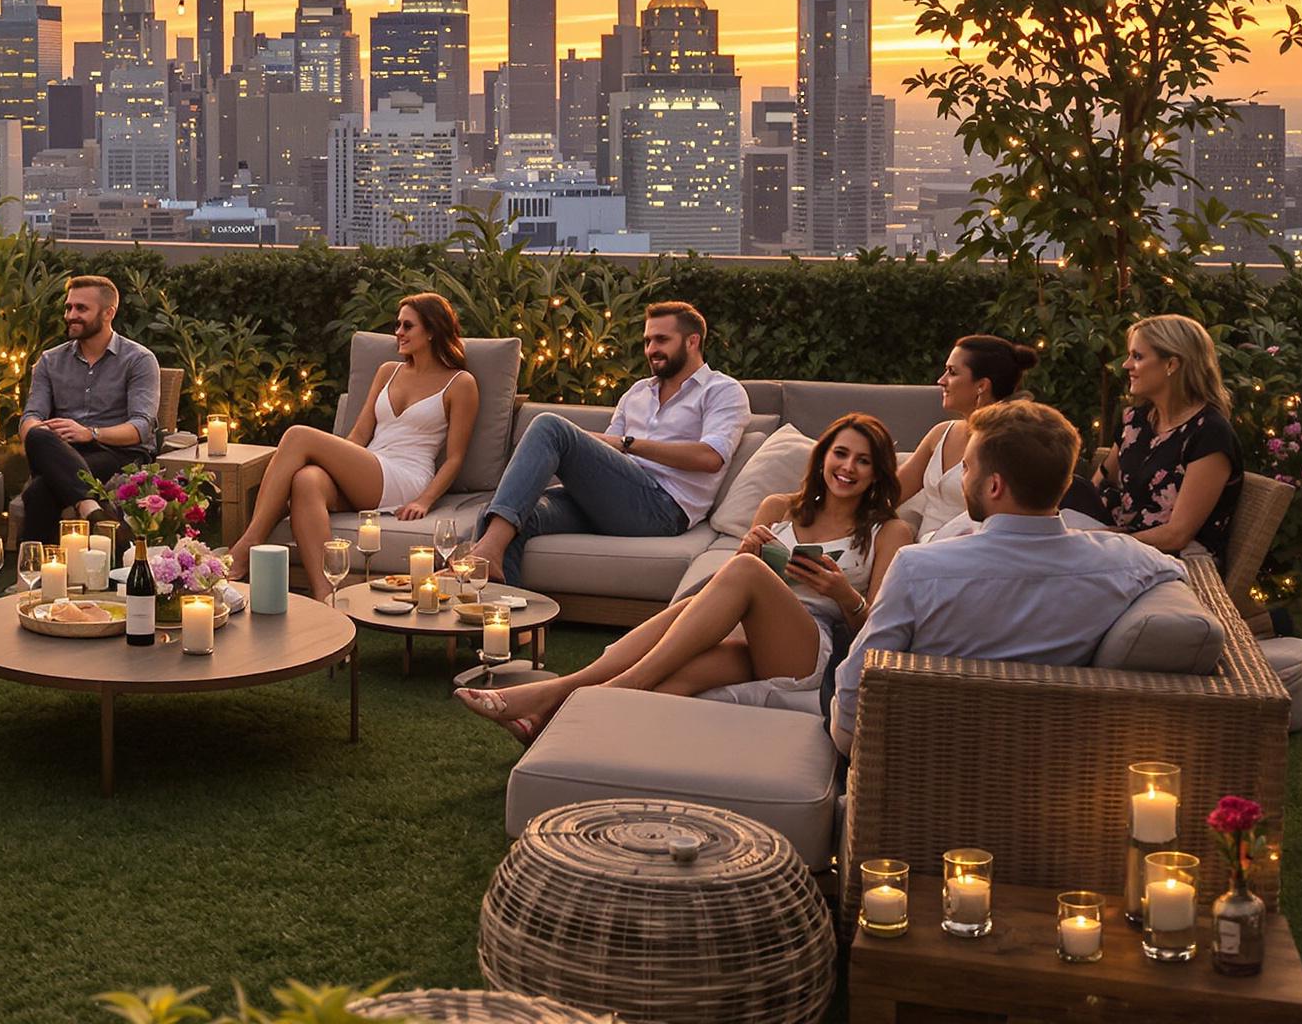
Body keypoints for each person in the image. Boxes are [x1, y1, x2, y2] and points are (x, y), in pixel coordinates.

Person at [457, 413, 913, 740]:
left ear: (877, 474)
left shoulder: (887, 530)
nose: (848, 468)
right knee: (678, 678)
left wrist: (839, 591)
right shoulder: (780, 508)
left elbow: (876, 628)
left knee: (740, 573)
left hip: (811, 644)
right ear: (823, 457)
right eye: (841, 454)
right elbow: (738, 586)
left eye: (863, 461)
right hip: (747, 633)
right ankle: (556, 731)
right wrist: (750, 550)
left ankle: (588, 690)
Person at [830, 398, 1184, 752]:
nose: (964, 478)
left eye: (966, 468)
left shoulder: (917, 569)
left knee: (840, 656)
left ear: (994, 486)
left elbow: (850, 712)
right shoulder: (1127, 563)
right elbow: (1179, 572)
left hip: (922, 754)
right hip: (1054, 754)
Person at [465, 301, 750, 586]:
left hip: (662, 508)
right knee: (499, 516)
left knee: (549, 425)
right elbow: (607, 454)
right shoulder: (638, 392)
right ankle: (501, 625)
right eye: (648, 341)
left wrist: (628, 443)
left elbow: (711, 458)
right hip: (613, 500)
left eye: (662, 340)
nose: (651, 349)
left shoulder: (722, 391)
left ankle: (484, 554)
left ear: (692, 341)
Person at [225, 294, 478, 600]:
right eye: (397, 324)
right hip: (371, 466)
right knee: (307, 480)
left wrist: (425, 500)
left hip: (406, 476)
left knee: (297, 435)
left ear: (432, 331)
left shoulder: (460, 383)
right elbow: (359, 435)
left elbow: (455, 458)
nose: (398, 332)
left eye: (407, 326)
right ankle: (328, 596)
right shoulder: (389, 371)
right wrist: (335, 467)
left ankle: (248, 544)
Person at [17, 275, 162, 544]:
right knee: (37, 434)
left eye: (81, 309)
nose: (71, 315)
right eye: (68, 307)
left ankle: (34, 574)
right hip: (64, 451)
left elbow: (142, 427)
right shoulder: (50, 360)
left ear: (109, 313)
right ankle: (91, 509)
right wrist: (46, 432)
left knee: (39, 491)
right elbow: (30, 418)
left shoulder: (139, 360)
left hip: (119, 454)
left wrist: (91, 433)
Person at [1091, 313, 1243, 561]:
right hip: (1124, 547)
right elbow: (1098, 483)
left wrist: (1105, 544)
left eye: (1137, 356)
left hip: (1177, 563)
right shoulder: (1136, 420)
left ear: (1172, 364)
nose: (1126, 365)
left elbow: (1177, 534)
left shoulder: (1210, 434)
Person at [896, 335, 1041, 541]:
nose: (941, 380)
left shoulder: (1009, 446)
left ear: (981, 385)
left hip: (973, 554)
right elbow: (893, 492)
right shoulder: (941, 433)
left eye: (952, 372)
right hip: (920, 555)